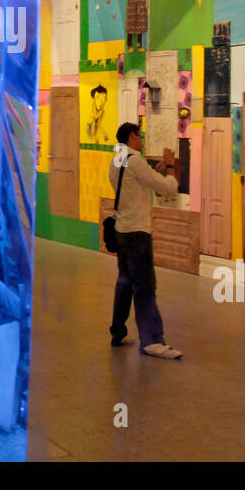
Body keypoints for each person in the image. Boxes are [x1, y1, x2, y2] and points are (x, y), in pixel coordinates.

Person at [108, 121, 182, 359]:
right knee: (145, 286)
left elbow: (133, 183)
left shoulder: (117, 160)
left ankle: (118, 332)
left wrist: (154, 171)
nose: (142, 140)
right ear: (132, 136)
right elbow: (169, 188)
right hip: (138, 232)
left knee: (125, 282)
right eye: (139, 135)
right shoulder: (136, 161)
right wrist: (170, 167)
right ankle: (152, 340)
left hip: (121, 229)